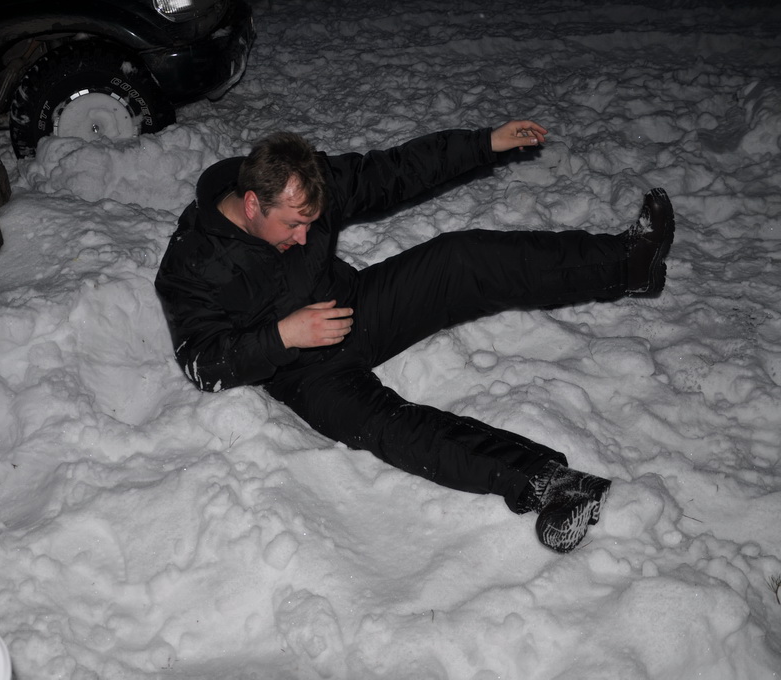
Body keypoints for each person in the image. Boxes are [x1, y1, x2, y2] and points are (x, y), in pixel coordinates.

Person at [154, 121, 675, 553]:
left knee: (460, 259)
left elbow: (391, 172)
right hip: (303, 372)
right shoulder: (191, 264)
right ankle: (552, 485)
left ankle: (629, 264)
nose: (305, 236)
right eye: (293, 225)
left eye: (311, 223)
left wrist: (483, 144)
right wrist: (284, 335)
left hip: (354, 306)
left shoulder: (303, 186)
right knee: (393, 429)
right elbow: (204, 362)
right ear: (251, 204)